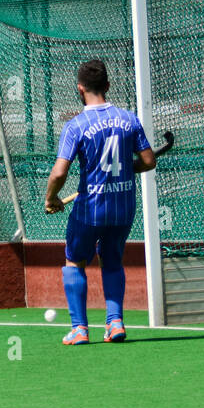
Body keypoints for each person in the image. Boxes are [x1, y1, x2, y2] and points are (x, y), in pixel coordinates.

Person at [43, 59, 157, 344]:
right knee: (113, 261)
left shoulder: (76, 126)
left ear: (80, 88)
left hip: (89, 209)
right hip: (123, 208)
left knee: (74, 261)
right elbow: (148, 161)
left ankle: (80, 329)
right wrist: (128, 168)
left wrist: (51, 197)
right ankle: (115, 323)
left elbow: (59, 172)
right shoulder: (129, 119)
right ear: (107, 85)